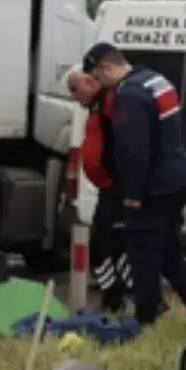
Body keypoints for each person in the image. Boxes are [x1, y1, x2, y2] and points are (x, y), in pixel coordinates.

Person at [82, 43, 186, 330]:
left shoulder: (129, 95)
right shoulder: (155, 80)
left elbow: (134, 149)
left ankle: (145, 322)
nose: (98, 84)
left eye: (97, 76)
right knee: (169, 253)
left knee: (142, 255)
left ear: (107, 68)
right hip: (176, 178)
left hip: (153, 187)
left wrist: (132, 193)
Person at [67, 68, 131, 313]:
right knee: (105, 248)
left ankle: (118, 297)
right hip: (107, 189)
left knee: (113, 248)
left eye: (75, 88)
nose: (74, 96)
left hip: (118, 189)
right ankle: (114, 297)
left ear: (89, 82)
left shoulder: (111, 105)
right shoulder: (97, 108)